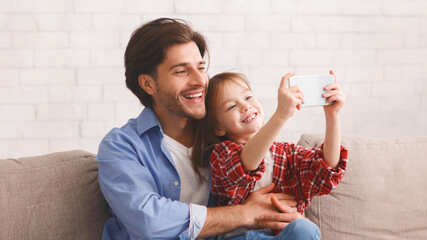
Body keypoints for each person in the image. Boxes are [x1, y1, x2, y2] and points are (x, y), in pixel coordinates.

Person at [96, 18, 319, 240]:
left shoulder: (225, 131)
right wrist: (243, 214)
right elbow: (149, 222)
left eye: (201, 67)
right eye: (181, 71)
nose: (200, 80)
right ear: (148, 84)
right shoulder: (121, 147)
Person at [192, 72, 348, 239]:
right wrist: (280, 115)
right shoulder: (222, 155)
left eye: (248, 97)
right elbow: (246, 163)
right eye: (231, 106)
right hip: (240, 236)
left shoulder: (287, 153)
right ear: (218, 129)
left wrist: (332, 117)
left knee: (305, 228)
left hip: (282, 234)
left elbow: (326, 169)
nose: (245, 107)